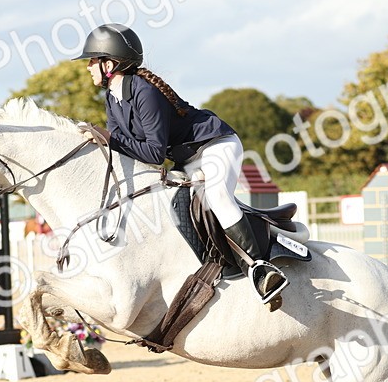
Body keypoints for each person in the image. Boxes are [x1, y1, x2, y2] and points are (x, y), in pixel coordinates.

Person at [75, 23, 286, 304]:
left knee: (217, 196)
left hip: (215, 145)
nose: (88, 66)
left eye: (92, 60)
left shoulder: (144, 91)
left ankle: (260, 268)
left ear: (110, 63)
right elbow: (124, 147)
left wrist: (108, 137)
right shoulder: (112, 97)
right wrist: (101, 141)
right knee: (163, 202)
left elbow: (152, 153)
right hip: (186, 158)